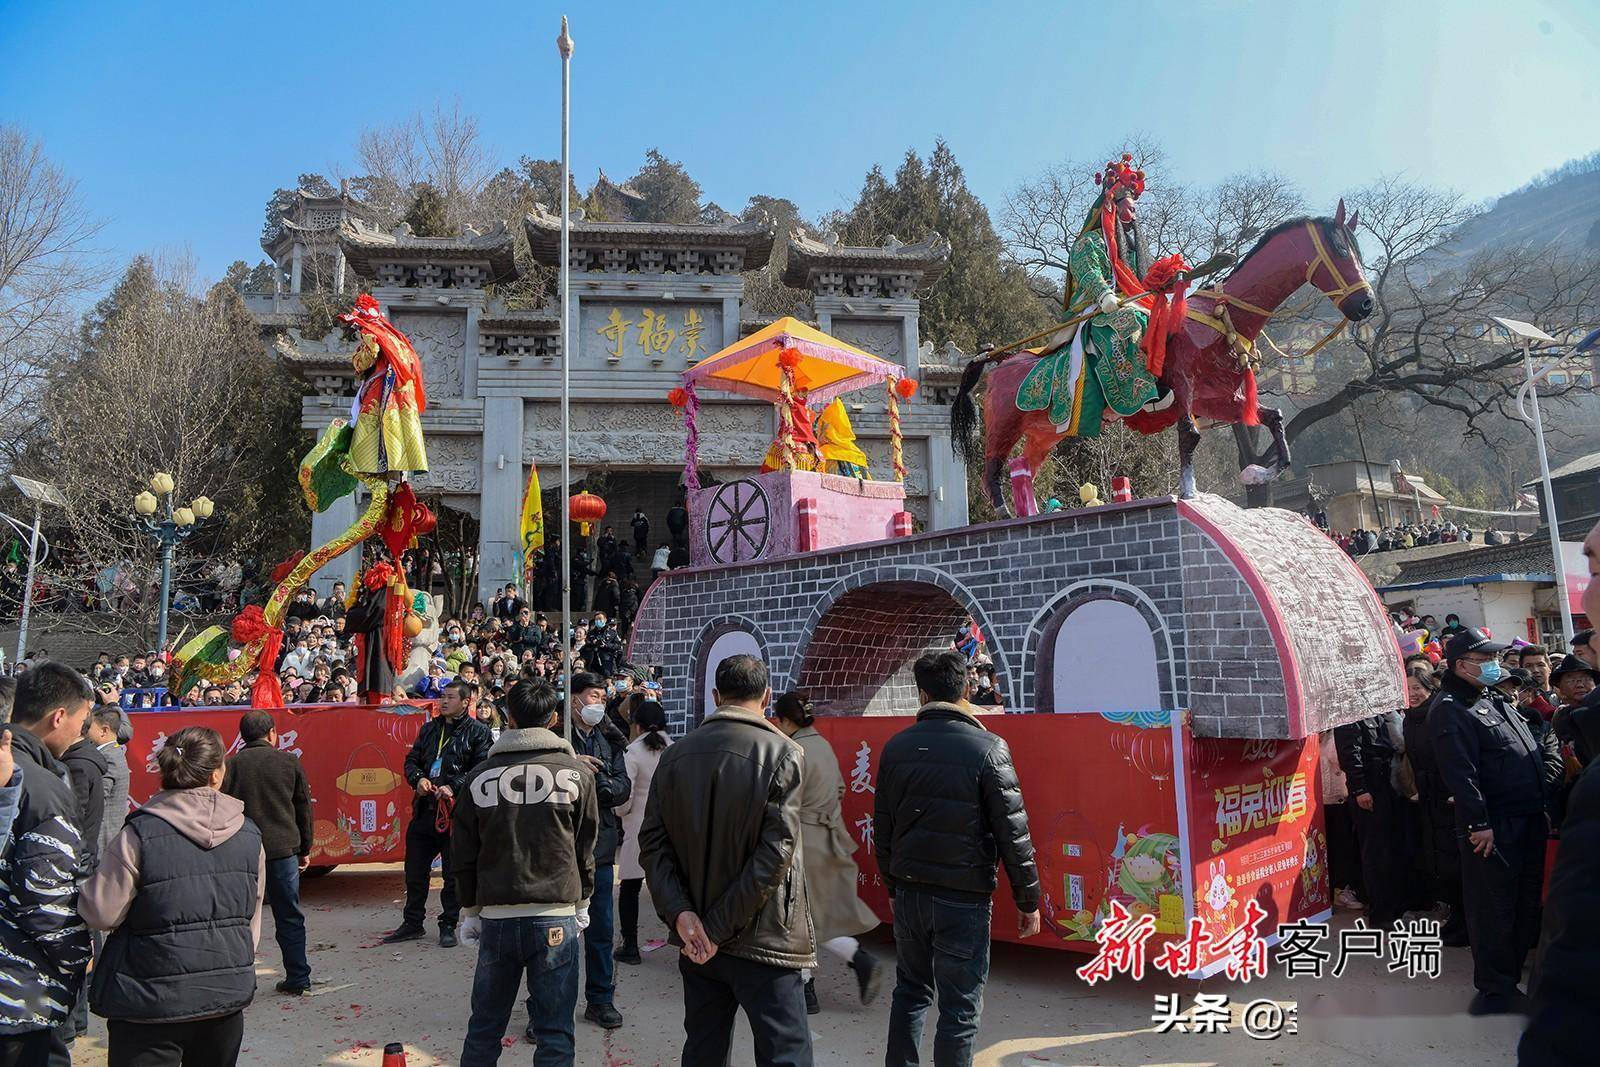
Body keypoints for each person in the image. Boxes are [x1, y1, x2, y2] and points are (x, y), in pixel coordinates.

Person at [639, 655, 815, 1067]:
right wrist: (712, 928)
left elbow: (653, 845)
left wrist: (684, 917)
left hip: (697, 934)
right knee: (784, 1053)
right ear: (766, 696)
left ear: (716, 696)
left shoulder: (676, 755)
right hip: (765, 937)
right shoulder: (784, 753)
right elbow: (775, 855)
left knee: (703, 1046)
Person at [875, 650, 1040, 1067]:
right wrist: (1028, 901)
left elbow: (884, 828)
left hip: (911, 891)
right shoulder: (988, 747)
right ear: (966, 689)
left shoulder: (896, 748)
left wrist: (893, 887)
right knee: (960, 1008)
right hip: (963, 898)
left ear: (921, 693)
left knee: (910, 993)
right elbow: (1013, 832)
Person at [81, 726, 265, 1067]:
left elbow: (101, 913)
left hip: (148, 998)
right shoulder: (249, 835)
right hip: (223, 994)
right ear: (217, 774)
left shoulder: (138, 833)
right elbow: (251, 917)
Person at [453, 682, 598, 1067]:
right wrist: (583, 900)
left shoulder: (479, 777)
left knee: (484, 1028)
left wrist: (469, 909)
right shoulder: (576, 774)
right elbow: (586, 846)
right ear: (554, 719)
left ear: (508, 717)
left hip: (497, 917)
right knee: (554, 1031)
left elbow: (463, 853)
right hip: (556, 915)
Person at [1430, 627, 1563, 1014]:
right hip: (1493, 825)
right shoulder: (1450, 708)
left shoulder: (1489, 698)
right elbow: (1461, 773)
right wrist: (1478, 823)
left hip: (1527, 817)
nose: (1493, 666)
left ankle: (1511, 979)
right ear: (1460, 665)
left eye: (1494, 659)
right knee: (1493, 909)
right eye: (1484, 660)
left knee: (1523, 904)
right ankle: (1496, 988)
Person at [0, 664, 93, 1066]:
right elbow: (45, 900)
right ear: (58, 716)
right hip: (20, 995)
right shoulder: (43, 788)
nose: (81, 733)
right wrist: (78, 957)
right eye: (81, 721)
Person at [771, 692, 883, 1014]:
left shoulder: (792, 749)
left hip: (800, 839)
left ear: (787, 720)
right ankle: (833, 974)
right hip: (828, 835)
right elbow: (839, 789)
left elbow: (780, 799)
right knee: (814, 914)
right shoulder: (822, 745)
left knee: (800, 917)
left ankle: (814, 985)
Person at [386, 681, 494, 947]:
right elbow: (411, 760)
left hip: (457, 813)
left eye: (449, 697)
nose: (443, 701)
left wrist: (453, 786)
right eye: (442, 697)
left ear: (466, 701)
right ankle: (412, 922)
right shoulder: (430, 728)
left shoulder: (478, 732)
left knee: (453, 873)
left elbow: (481, 769)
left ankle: (448, 923)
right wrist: (418, 778)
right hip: (425, 808)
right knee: (415, 869)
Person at [553, 673, 630, 1032]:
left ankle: (600, 999)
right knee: (555, 933)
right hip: (558, 850)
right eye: (592, 696)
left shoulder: (610, 740)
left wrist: (595, 780)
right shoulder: (555, 741)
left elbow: (621, 788)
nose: (598, 703)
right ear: (574, 700)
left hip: (598, 850)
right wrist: (571, 765)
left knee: (600, 931)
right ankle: (548, 1004)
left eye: (602, 697)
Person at [222, 710, 315, 995]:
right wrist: (305, 848)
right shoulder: (288, 761)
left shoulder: (232, 765)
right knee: (289, 915)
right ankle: (298, 976)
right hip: (283, 849)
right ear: (272, 733)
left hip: (244, 851)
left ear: (242, 736)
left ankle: (241, 982)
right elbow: (303, 807)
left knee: (242, 918)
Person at [1400, 665, 1467, 945]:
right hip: (1425, 797)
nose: (1413, 693)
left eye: (1418, 687)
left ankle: (1464, 921)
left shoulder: (1440, 714)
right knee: (1437, 857)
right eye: (1408, 688)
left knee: (1456, 858)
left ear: (1430, 688)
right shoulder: (1408, 719)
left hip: (1447, 795)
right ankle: (1454, 914)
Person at [1334, 705, 1408, 930]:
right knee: (1375, 851)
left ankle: (1387, 904)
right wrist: (1359, 789)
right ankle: (1380, 913)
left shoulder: (1377, 710)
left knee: (1387, 848)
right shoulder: (1349, 712)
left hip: (1384, 779)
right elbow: (1349, 753)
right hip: (1368, 784)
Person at [613, 699, 671, 966]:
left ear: (636, 726)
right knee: (672, 887)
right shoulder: (674, 748)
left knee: (630, 889)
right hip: (671, 826)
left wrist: (621, 813)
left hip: (638, 825)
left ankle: (631, 945)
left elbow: (625, 793)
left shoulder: (633, 752)